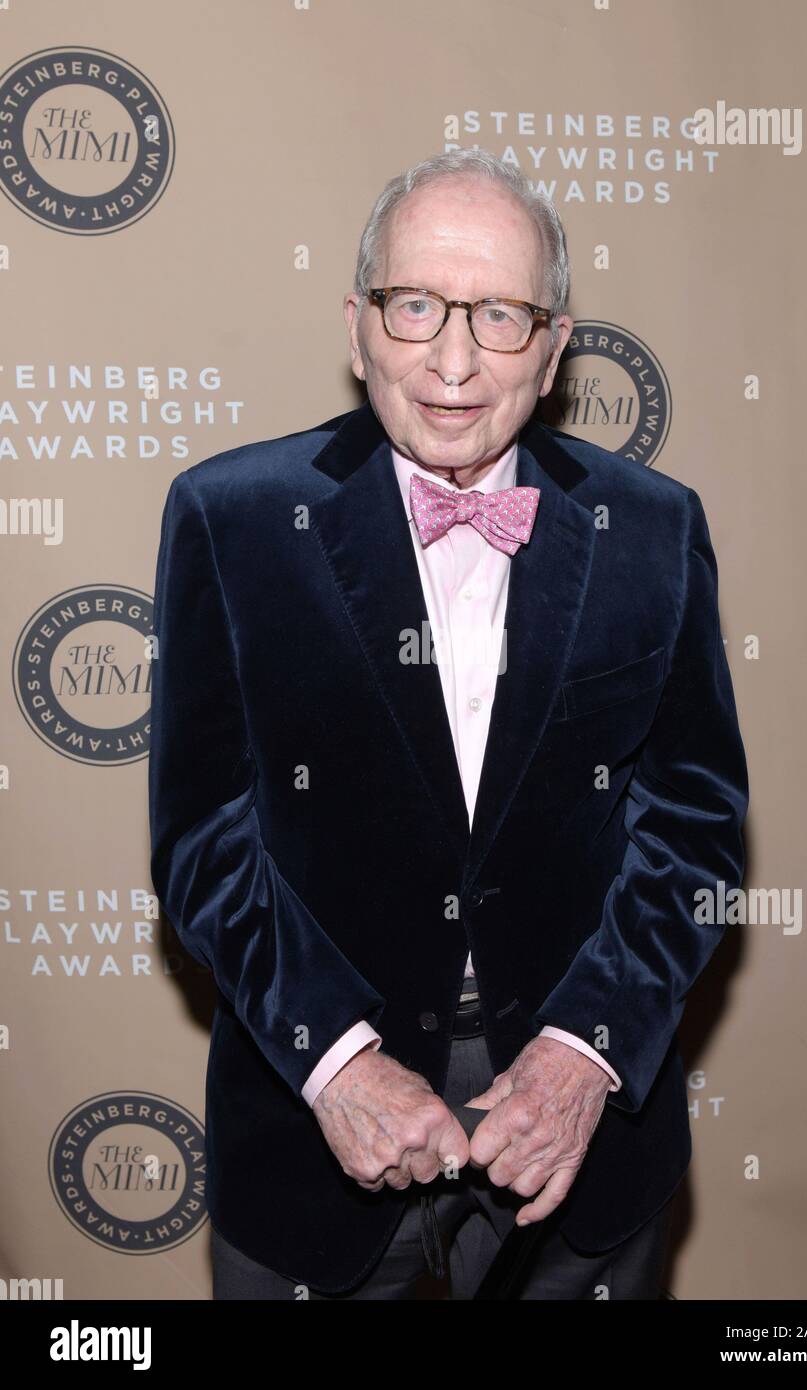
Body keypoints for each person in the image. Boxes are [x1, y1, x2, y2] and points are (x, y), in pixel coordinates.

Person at [149, 147, 748, 1300]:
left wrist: (582, 1057)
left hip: (583, 1129)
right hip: (310, 1118)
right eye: (415, 305)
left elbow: (696, 831)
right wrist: (337, 1064)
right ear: (358, 324)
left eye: (502, 316)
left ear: (557, 343)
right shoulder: (227, 521)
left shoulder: (656, 531)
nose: (455, 361)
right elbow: (202, 842)